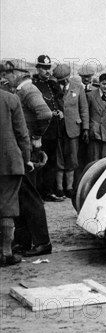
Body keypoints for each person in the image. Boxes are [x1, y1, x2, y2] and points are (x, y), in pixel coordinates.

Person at [3, 60, 53, 257]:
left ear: (19, 73)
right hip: (21, 148)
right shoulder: (19, 91)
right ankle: (23, 242)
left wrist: (36, 136)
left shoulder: (29, 90)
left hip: (27, 149)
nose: (5, 77)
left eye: (8, 73)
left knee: (31, 197)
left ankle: (43, 242)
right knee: (21, 196)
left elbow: (45, 113)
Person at [0, 90, 32, 266]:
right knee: (7, 206)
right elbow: (22, 133)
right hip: (9, 162)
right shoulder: (11, 99)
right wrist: (27, 159)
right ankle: (6, 253)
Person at [53, 64, 89, 199]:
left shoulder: (78, 87)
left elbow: (84, 108)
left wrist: (85, 128)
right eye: (60, 80)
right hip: (58, 129)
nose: (63, 82)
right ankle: (59, 188)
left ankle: (69, 187)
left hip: (73, 128)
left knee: (72, 158)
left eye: (64, 79)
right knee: (59, 158)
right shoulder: (54, 89)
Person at [31, 54, 63, 202]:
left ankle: (48, 191)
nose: (46, 71)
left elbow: (57, 100)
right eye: (43, 68)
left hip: (53, 129)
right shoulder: (33, 85)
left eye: (48, 68)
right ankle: (36, 193)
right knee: (39, 161)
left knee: (51, 161)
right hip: (40, 130)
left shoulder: (51, 84)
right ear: (37, 68)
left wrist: (59, 111)